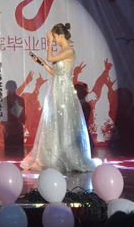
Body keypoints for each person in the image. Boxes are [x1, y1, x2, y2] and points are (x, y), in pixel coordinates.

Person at [21, 22, 96, 173]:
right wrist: (42, 63)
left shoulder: (69, 51)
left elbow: (50, 57)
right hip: (56, 88)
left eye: (54, 36)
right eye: (52, 37)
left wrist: (48, 43)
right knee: (55, 122)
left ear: (61, 35)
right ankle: (56, 156)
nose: (53, 39)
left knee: (65, 122)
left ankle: (68, 157)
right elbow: (55, 72)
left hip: (65, 90)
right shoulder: (62, 51)